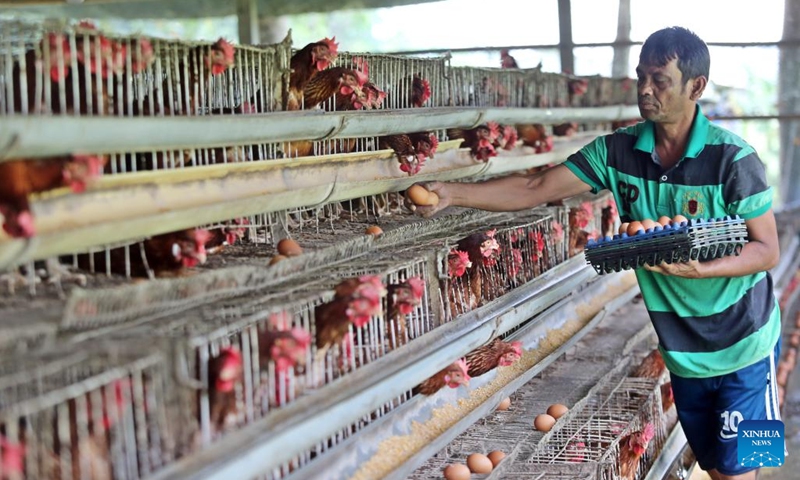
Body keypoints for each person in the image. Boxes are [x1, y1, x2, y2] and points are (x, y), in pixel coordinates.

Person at [410, 27, 780, 480]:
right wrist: (452, 193)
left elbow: (767, 250)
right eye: (641, 76)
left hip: (748, 343)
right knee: (715, 466)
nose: (645, 89)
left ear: (696, 87)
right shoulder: (618, 151)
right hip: (683, 352)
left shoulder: (734, 160)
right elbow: (536, 187)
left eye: (660, 79)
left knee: (746, 471)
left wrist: (699, 269)